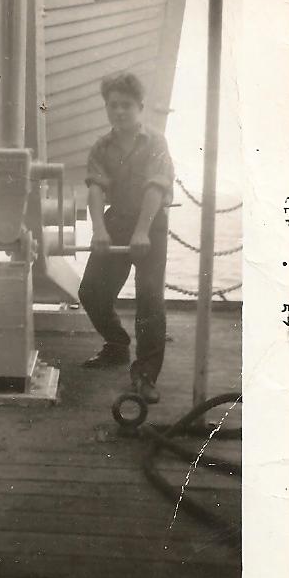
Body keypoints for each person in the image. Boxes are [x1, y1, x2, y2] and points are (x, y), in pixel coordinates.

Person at [78, 72, 174, 404]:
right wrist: (99, 230)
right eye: (113, 105)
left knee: (149, 298)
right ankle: (117, 345)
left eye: (127, 105)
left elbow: (155, 188)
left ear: (140, 107)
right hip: (116, 220)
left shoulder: (156, 142)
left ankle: (145, 375)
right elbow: (95, 188)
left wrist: (142, 231)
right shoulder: (101, 146)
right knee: (91, 292)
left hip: (151, 222)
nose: (119, 111)